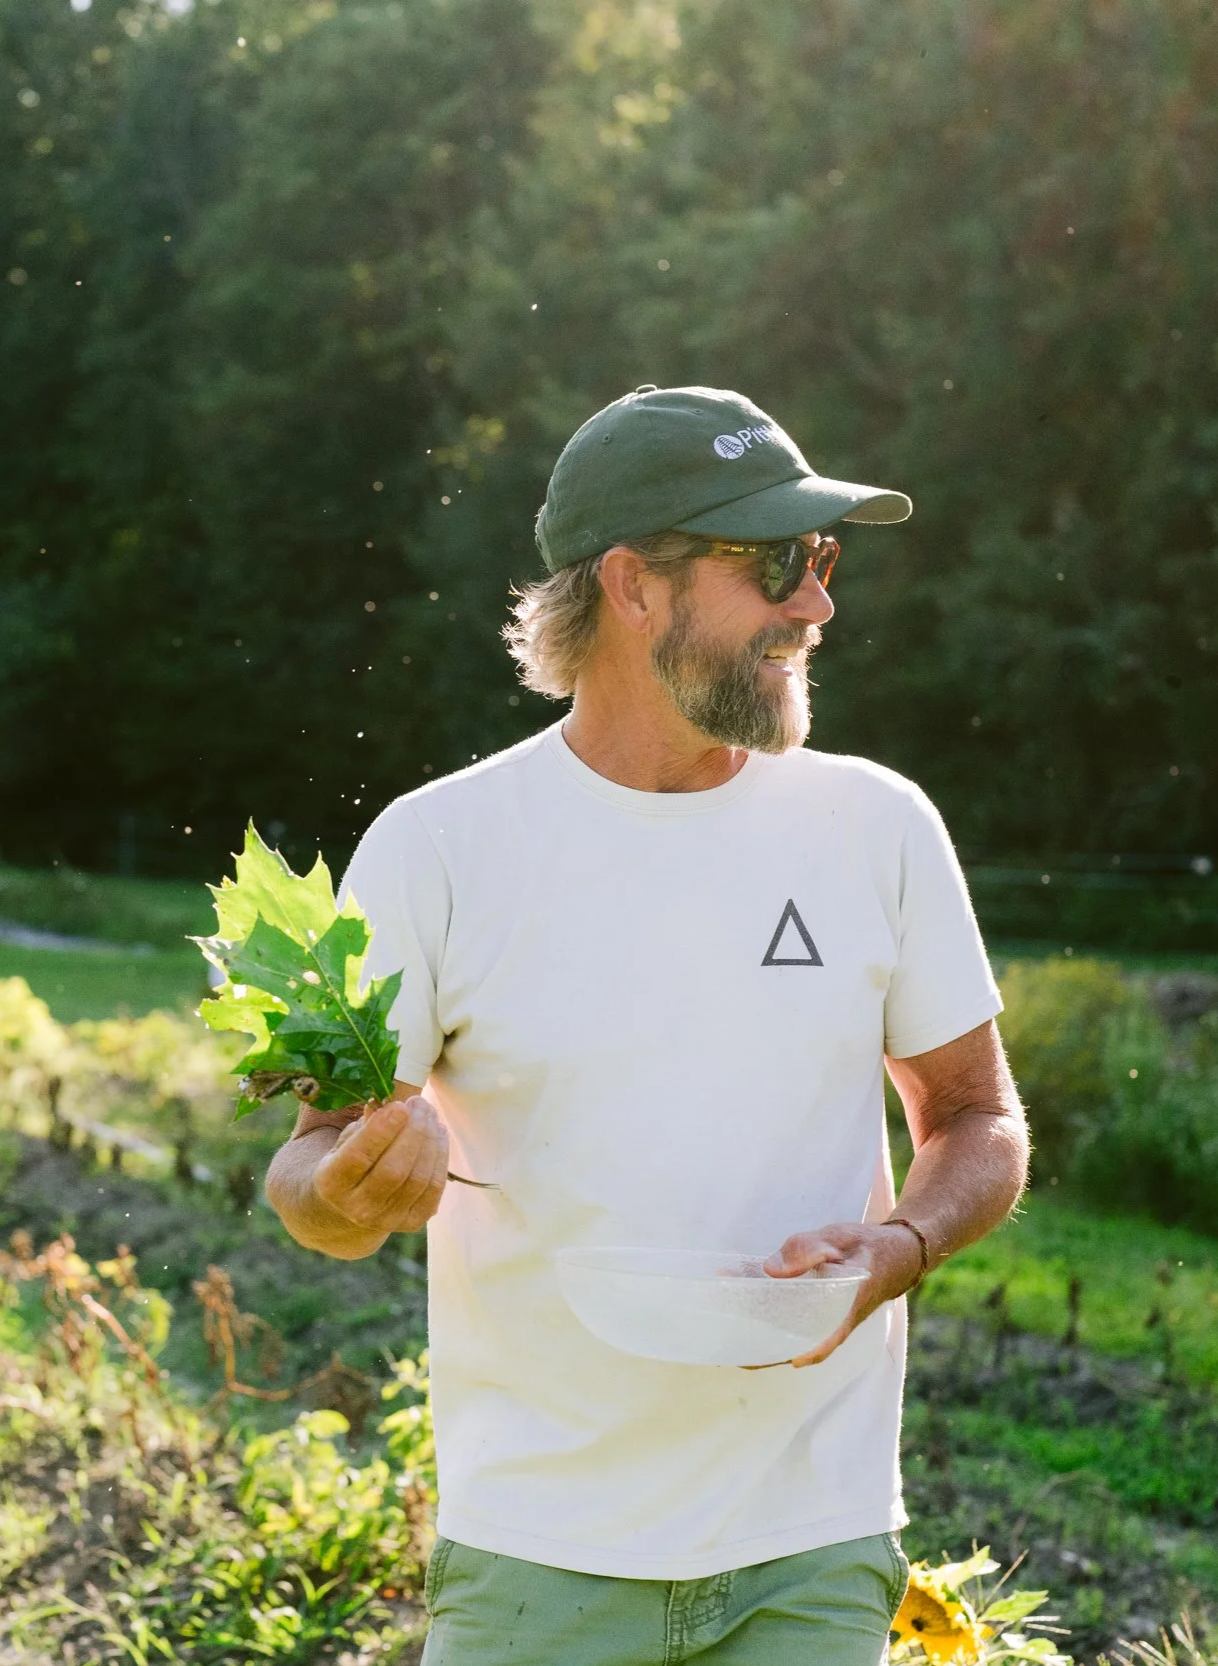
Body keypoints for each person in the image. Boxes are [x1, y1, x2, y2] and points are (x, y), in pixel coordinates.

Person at [265, 385, 1029, 1665]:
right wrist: (352, 1190)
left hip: (815, 1537)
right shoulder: (437, 848)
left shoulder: (877, 824)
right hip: (538, 1551)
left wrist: (899, 1242)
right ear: (631, 584)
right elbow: (309, 1162)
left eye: (823, 559)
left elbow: (975, 1117)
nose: (817, 605)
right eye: (776, 563)